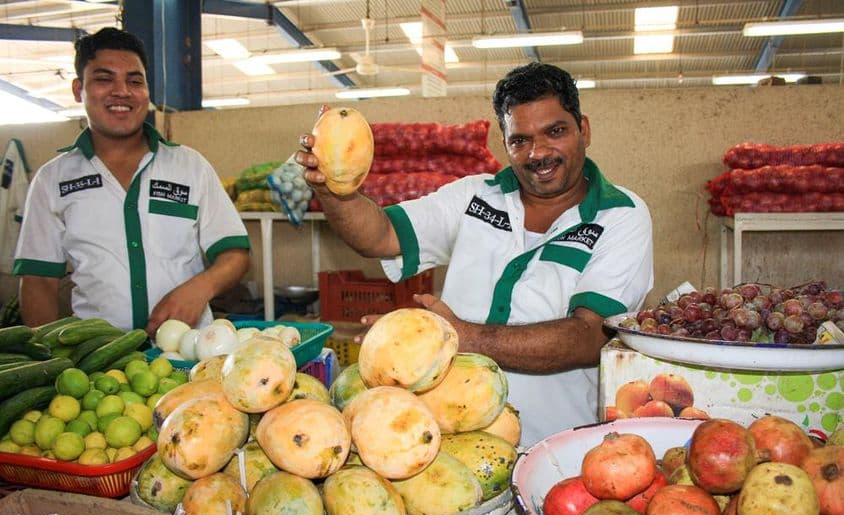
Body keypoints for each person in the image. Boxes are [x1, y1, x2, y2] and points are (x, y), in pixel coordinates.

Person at [297, 62, 653, 445]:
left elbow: (590, 336)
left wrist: (460, 337)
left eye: (555, 131)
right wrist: (334, 190)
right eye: (520, 140)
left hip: (559, 444)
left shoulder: (621, 216)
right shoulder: (475, 196)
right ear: (504, 141)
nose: (538, 153)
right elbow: (380, 235)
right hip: (452, 437)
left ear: (583, 129)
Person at [13, 27, 250, 336]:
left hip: (188, 353)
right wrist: (49, 360)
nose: (122, 91)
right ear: (77, 89)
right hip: (100, 366)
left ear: (147, 91)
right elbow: (38, 281)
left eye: (134, 81)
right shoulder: (52, 181)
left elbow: (235, 254)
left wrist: (200, 287)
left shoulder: (190, 167)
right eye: (104, 78)